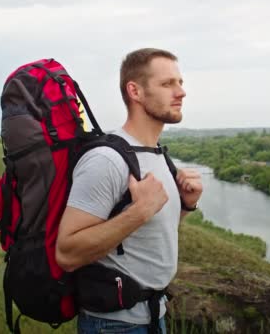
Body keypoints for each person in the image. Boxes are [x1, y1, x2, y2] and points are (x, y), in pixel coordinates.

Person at [55, 48, 203, 334]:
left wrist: (186, 206)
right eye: (167, 84)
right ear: (134, 91)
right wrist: (139, 212)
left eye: (180, 82)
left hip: (154, 316)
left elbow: (151, 236)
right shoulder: (106, 160)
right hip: (113, 325)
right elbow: (67, 254)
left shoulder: (158, 155)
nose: (181, 92)